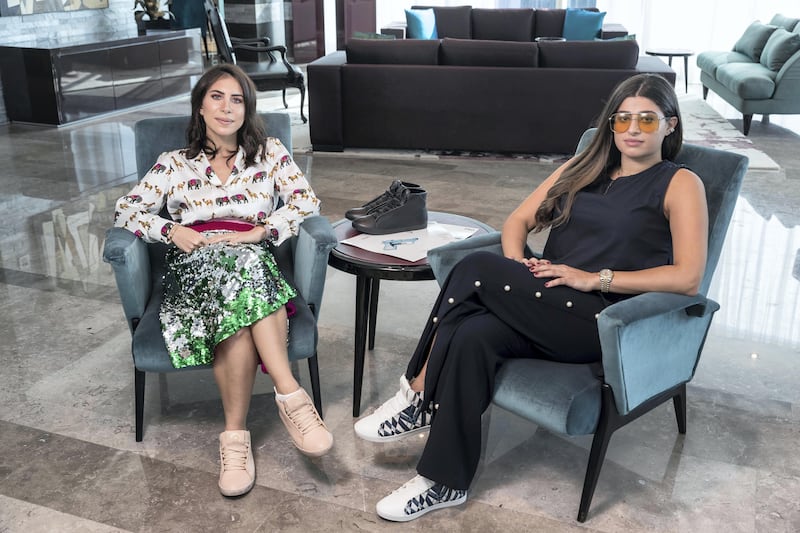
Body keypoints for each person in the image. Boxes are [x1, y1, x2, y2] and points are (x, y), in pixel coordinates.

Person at [353, 73, 708, 522]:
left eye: (646, 119)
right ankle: (444, 481)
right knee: (473, 335)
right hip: (546, 302)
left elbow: (688, 277)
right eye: (622, 120)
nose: (633, 130)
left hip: (603, 320)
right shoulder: (582, 169)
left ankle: (419, 393)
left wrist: (594, 279)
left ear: (670, 125)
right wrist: (519, 274)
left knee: (476, 268)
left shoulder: (679, 183)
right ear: (611, 125)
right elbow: (518, 222)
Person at [114, 64, 333, 498]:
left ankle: (235, 439)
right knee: (241, 276)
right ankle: (291, 397)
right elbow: (126, 210)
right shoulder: (173, 164)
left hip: (252, 258)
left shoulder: (269, 153)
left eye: (237, 100)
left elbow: (306, 202)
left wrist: (264, 230)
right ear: (201, 105)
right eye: (217, 97)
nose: (226, 108)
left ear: (247, 109)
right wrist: (171, 230)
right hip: (195, 266)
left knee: (246, 269)